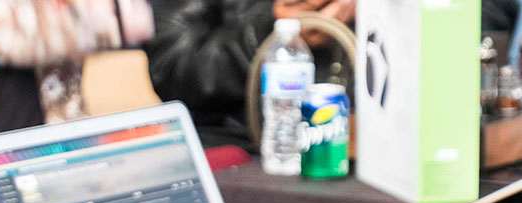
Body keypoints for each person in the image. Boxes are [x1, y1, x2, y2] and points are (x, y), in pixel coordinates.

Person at [144, 0, 519, 140]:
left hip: (394, 142)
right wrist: (272, 33)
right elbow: (172, 66)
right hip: (249, 147)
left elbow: (489, 24)